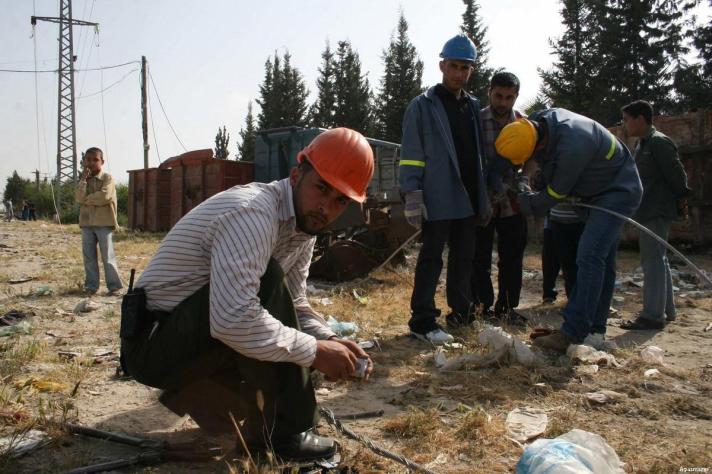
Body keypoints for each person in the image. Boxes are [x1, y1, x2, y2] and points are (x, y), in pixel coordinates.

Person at [122, 128, 375, 462]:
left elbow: (294, 303)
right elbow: (234, 318)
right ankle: (285, 435)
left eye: (339, 200)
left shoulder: (302, 225)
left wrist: (331, 340)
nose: (325, 207)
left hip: (186, 338)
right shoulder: (254, 213)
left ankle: (206, 401)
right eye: (321, 189)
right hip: (152, 345)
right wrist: (315, 351)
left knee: (282, 316)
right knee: (269, 283)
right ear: (296, 175)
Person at [495, 109, 642, 352]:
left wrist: (521, 202)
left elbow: (554, 195)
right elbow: (546, 171)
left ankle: (573, 332)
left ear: (537, 145)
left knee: (590, 255)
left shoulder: (574, 145)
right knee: (600, 261)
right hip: (593, 192)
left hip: (616, 193)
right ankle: (595, 332)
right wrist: (529, 181)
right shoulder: (541, 122)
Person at [399, 34, 490, 344]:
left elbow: (478, 154)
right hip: (438, 195)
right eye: (454, 66)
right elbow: (411, 152)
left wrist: (484, 194)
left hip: (467, 196)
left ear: (471, 71)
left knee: (465, 258)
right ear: (442, 65)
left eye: (465, 68)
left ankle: (461, 314)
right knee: (431, 258)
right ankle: (422, 321)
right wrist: (412, 193)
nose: (459, 73)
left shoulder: (473, 106)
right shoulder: (423, 105)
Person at [620, 100, 690, 330]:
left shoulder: (658, 142)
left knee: (652, 261)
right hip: (647, 208)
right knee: (658, 259)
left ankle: (652, 316)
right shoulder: (643, 143)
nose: (625, 124)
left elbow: (676, 174)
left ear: (640, 119)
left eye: (627, 119)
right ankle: (667, 310)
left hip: (657, 210)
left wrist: (681, 200)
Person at [471, 71, 528, 322]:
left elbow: (532, 162)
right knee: (479, 256)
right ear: (489, 92)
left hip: (513, 204)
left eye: (509, 97)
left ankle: (507, 308)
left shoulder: (524, 126)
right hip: (483, 202)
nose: (503, 102)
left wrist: (524, 184)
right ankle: (482, 306)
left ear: (516, 97)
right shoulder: (475, 120)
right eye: (498, 96)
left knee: (512, 258)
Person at [75, 147, 123, 296]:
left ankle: (114, 287)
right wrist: (83, 180)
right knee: (89, 256)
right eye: (88, 160)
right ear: (84, 162)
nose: (91, 163)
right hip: (87, 223)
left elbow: (105, 197)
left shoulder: (107, 178)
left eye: (95, 160)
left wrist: (86, 200)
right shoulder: (83, 181)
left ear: (102, 161)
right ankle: (91, 286)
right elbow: (78, 197)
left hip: (104, 222)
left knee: (107, 256)